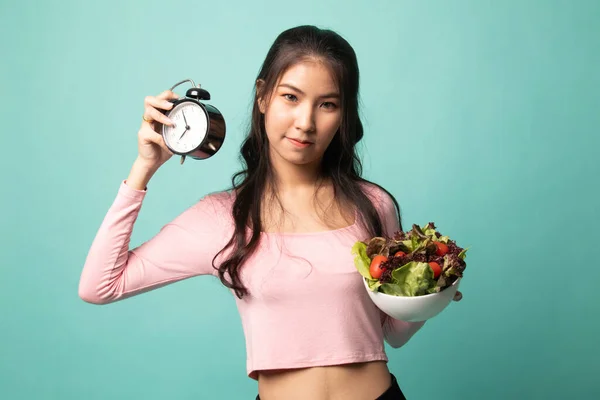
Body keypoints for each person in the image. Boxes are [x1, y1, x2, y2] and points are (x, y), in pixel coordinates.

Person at [78, 25, 461, 400]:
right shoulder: (221, 217)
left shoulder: (373, 205)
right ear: (263, 97)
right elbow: (100, 285)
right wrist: (143, 168)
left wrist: (433, 292)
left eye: (327, 104)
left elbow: (393, 331)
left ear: (343, 116)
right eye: (291, 97)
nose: (305, 122)